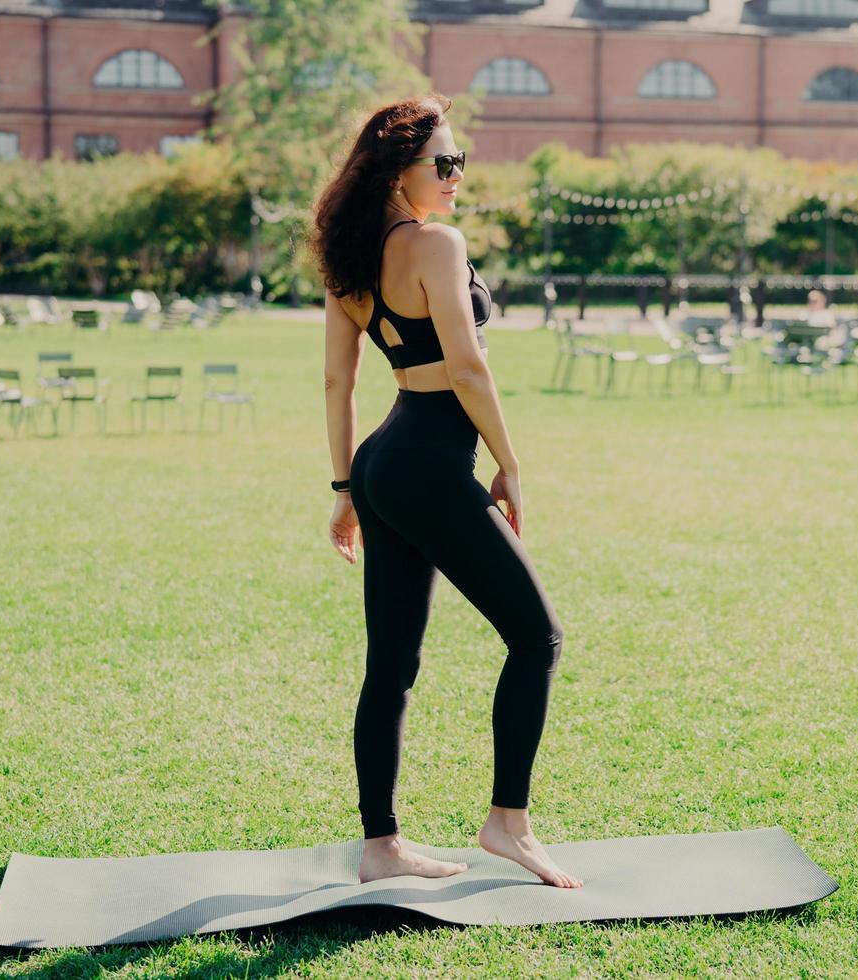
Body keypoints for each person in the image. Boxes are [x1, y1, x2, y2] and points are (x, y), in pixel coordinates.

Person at [312, 94, 582, 889]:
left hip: (383, 462)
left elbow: (338, 379)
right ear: (402, 170)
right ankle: (508, 824)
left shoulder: (350, 255)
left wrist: (344, 486)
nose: (458, 175)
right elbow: (466, 366)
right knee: (538, 637)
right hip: (429, 459)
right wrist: (511, 463)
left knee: (391, 662)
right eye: (446, 162)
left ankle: (381, 844)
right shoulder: (435, 243)